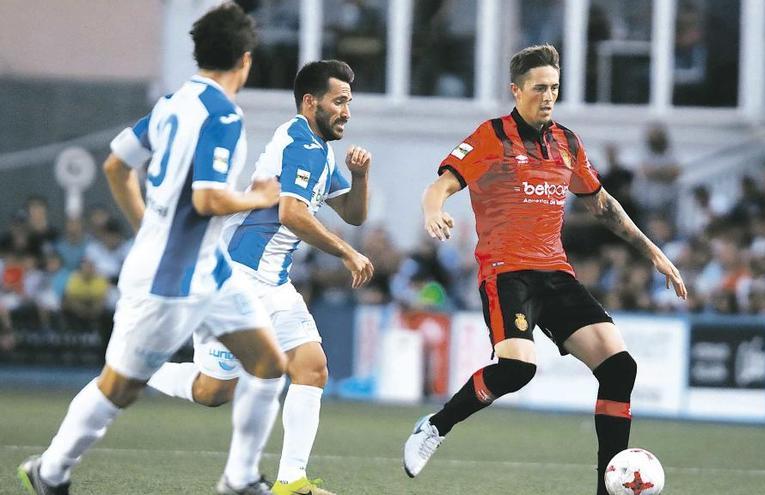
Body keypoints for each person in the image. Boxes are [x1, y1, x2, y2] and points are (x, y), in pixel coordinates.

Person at [17, 4, 288, 495]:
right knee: (118, 388)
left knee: (270, 364)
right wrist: (260, 197)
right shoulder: (223, 114)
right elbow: (208, 199)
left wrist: (146, 225)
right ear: (245, 61)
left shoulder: (172, 103)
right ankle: (50, 471)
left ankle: (240, 479)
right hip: (168, 282)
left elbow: (116, 166)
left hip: (211, 270)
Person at [402, 44, 687, 495]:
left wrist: (652, 251)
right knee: (517, 369)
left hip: (556, 274)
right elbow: (439, 186)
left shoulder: (568, 143)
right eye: (539, 88)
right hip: (506, 273)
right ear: (516, 90)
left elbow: (603, 205)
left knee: (620, 368)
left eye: (554, 87)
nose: (548, 96)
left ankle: (606, 490)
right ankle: (436, 426)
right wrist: (432, 211)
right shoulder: (491, 136)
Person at [145, 60, 374, 495]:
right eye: (339, 101)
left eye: (349, 102)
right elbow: (292, 213)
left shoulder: (320, 150)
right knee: (214, 391)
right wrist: (345, 252)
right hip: (238, 281)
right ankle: (142, 367)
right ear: (311, 102)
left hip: (275, 284)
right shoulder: (298, 142)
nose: (347, 111)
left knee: (312, 368)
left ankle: (292, 481)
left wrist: (361, 176)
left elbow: (354, 214)